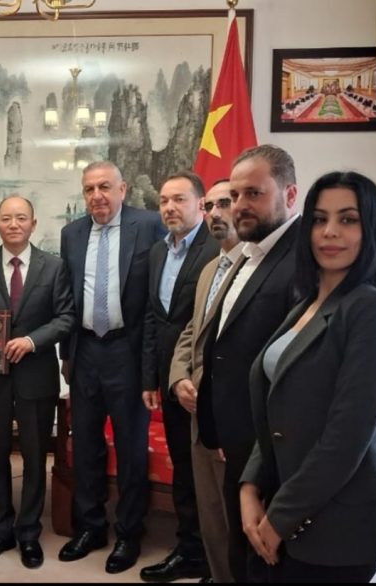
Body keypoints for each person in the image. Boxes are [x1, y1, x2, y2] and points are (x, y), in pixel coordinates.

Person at [239, 171, 376, 583]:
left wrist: (279, 518)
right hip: (284, 498)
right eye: (319, 219)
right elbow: (276, 408)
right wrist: (249, 487)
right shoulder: (306, 304)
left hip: (338, 523)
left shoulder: (372, 309)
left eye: (348, 219)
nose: (330, 232)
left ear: (371, 229)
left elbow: (346, 438)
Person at [197, 144, 301, 582]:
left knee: (266, 562)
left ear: (290, 195)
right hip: (236, 435)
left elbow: (297, 376)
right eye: (235, 195)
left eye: (254, 194)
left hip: (274, 450)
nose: (239, 205)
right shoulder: (247, 253)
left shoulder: (302, 260)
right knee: (241, 558)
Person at [58, 160, 165, 574]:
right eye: (89, 189)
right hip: (85, 350)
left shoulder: (150, 225)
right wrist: (66, 356)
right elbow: (67, 298)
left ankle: (129, 532)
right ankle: (91, 527)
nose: (97, 196)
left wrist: (151, 369)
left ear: (123, 189)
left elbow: (157, 298)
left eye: (105, 187)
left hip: (128, 352)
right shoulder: (72, 233)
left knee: (131, 446)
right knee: (85, 444)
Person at [0, 195, 75, 569]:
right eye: (7, 218)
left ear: (33, 223)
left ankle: (28, 532)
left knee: (34, 455)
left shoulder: (54, 267)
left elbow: (65, 317)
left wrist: (31, 341)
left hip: (36, 377)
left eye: (21, 218)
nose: (14, 224)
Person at [140, 170, 218, 582]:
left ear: (200, 204)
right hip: (169, 382)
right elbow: (154, 319)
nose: (169, 207)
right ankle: (189, 550)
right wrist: (150, 378)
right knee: (183, 470)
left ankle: (217, 555)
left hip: (207, 382)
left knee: (212, 473)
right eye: (164, 201)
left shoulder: (217, 248)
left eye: (179, 199)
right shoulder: (158, 252)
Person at [169, 178, 243, 583]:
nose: (216, 213)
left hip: (232, 414)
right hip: (197, 408)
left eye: (225, 203)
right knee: (211, 512)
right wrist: (178, 378)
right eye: (210, 206)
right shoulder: (210, 269)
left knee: (236, 514)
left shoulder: (257, 268)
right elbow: (191, 332)